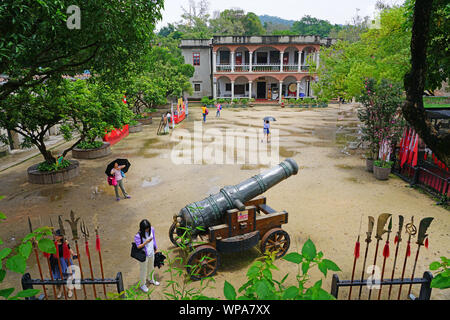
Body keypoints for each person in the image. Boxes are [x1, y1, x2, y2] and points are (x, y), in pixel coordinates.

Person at [134, 219, 159, 292]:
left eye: (148, 228)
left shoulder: (152, 229)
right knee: (143, 270)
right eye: (146, 229)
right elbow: (138, 246)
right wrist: (146, 242)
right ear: (142, 229)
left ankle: (151, 279)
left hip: (151, 253)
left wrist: (155, 247)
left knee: (151, 267)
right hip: (144, 256)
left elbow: (154, 239)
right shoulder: (138, 236)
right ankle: (142, 285)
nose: (148, 230)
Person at [50, 229, 76, 299]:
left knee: (67, 276)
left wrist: (73, 254)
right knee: (58, 278)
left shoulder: (65, 242)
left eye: (57, 235)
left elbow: (69, 249)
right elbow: (47, 249)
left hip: (64, 261)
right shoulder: (52, 243)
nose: (55, 236)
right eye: (55, 235)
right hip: (56, 262)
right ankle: (60, 291)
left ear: (61, 237)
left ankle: (69, 290)